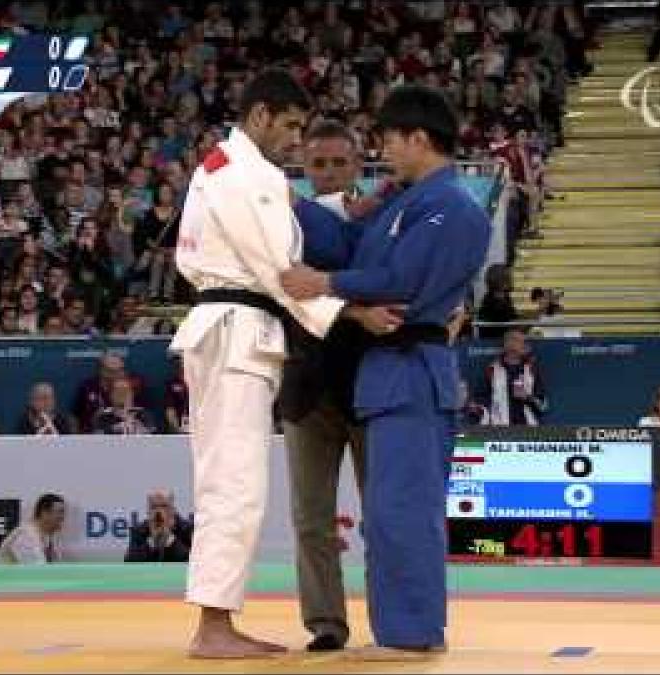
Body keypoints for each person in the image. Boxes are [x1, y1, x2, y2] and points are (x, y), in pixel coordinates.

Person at [169, 68, 397, 659]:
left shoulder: (218, 166)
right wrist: (355, 313)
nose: (295, 140)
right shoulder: (249, 174)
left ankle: (216, 620)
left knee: (228, 481)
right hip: (237, 327)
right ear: (261, 114)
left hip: (229, 327)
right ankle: (213, 627)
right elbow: (283, 270)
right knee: (235, 484)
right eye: (291, 125)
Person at [281, 85, 492, 660]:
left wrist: (326, 285)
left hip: (412, 367)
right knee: (389, 510)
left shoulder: (451, 205)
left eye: (391, 142)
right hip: (388, 374)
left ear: (418, 139)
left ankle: (412, 633)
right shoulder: (405, 203)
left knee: (405, 509)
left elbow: (400, 278)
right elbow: (350, 245)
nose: (386, 154)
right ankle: (403, 629)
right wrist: (286, 201)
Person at [281, 119, 371, 652]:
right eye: (319, 164)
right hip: (305, 389)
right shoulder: (283, 223)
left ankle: (393, 620)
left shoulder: (379, 218)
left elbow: (345, 262)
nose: (331, 173)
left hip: (370, 387)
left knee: (381, 519)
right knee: (311, 520)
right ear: (304, 168)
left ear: (358, 165)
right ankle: (326, 625)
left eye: (340, 163)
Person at [485, 328, 548, 426]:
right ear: (505, 345)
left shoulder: (531, 370)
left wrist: (527, 397)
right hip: (499, 428)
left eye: (520, 341)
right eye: (512, 340)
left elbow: (543, 406)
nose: (514, 344)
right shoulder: (492, 370)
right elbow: (482, 401)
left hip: (527, 428)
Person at [125, 490, 195, 563]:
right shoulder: (138, 531)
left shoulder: (188, 529)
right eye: (154, 507)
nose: (159, 511)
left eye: (164, 506)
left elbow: (193, 561)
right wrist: (152, 541)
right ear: (148, 511)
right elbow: (129, 562)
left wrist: (170, 539)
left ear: (173, 510)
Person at [0, 493, 66, 564]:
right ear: (44, 513)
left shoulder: (47, 539)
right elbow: (37, 572)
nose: (62, 518)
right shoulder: (25, 537)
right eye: (60, 512)